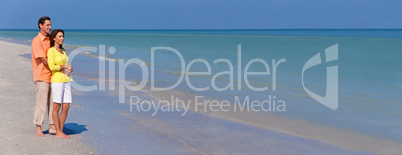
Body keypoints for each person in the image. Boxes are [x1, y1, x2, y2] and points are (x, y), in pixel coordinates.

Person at [31, 16, 56, 137]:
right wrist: (58, 66)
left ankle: (52, 126)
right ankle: (38, 127)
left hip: (54, 76)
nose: (50, 27)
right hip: (41, 75)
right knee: (41, 103)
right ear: (40, 25)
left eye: (50, 25)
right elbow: (43, 59)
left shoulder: (51, 39)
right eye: (47, 25)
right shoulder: (37, 40)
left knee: (53, 102)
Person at [47, 29, 73, 139]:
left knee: (66, 106)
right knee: (56, 106)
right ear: (54, 38)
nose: (62, 38)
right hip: (57, 81)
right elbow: (51, 66)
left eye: (63, 36)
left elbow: (66, 64)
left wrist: (70, 68)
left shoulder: (63, 51)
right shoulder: (51, 51)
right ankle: (57, 131)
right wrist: (64, 67)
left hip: (67, 80)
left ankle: (61, 130)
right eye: (60, 36)